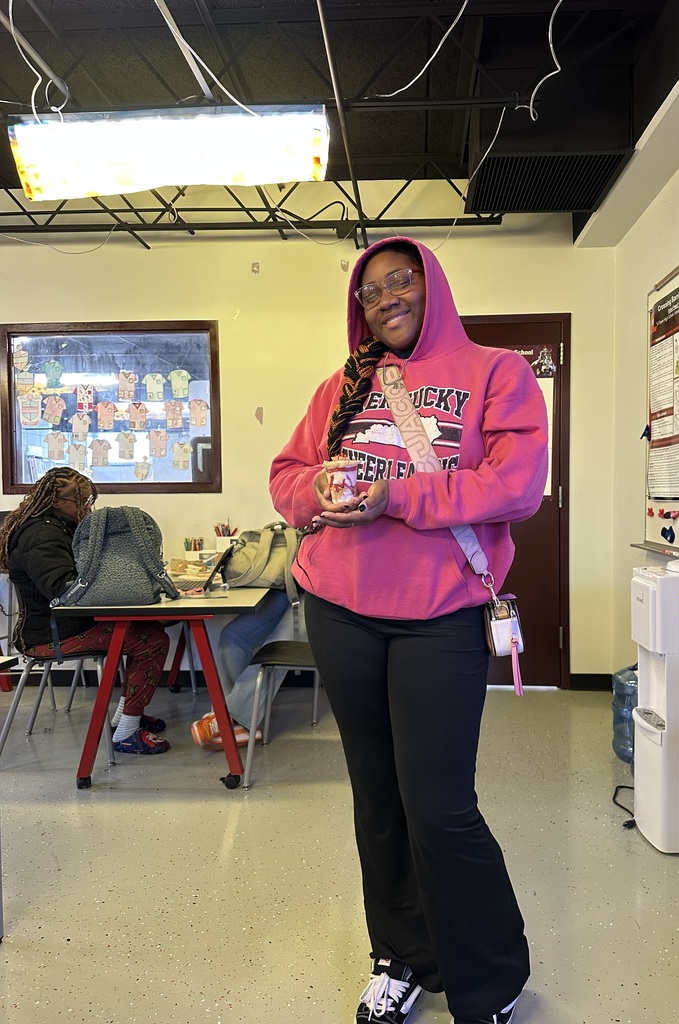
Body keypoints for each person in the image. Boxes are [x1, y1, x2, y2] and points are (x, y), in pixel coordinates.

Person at [269, 236, 549, 1024]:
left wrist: (397, 496)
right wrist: (317, 485)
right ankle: (404, 958)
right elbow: (284, 478)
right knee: (378, 799)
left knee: (440, 807)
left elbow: (516, 486)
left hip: (441, 616)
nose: (386, 298)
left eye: (402, 282)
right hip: (339, 608)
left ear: (433, 289)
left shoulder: (498, 373)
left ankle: (489, 981)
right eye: (370, 291)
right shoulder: (342, 386)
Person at [0, 467, 171, 755]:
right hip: (49, 636)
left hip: (67, 625)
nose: (88, 508)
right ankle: (127, 733)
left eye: (88, 500)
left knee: (152, 625)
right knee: (151, 641)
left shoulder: (59, 527)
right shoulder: (41, 535)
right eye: (81, 502)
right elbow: (63, 590)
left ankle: (125, 717)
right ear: (56, 502)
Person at [190, 588, 290, 748]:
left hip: (316, 595)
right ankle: (236, 722)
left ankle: (230, 718)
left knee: (278, 645)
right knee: (232, 636)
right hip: (283, 588)